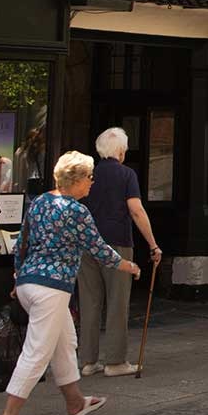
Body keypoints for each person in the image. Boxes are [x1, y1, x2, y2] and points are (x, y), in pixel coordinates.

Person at [0, 151, 142, 415]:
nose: (91, 182)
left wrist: (17, 277)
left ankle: (75, 403)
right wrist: (128, 265)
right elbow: (98, 248)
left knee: (65, 343)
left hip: (30, 283)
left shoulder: (39, 202)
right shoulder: (76, 211)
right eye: (88, 177)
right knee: (37, 351)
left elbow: (21, 242)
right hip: (52, 287)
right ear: (75, 180)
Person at [78, 127, 161, 377]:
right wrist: (152, 244)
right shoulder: (126, 174)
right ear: (122, 151)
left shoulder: (87, 174)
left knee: (89, 302)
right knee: (117, 301)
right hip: (117, 243)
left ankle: (89, 361)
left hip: (87, 243)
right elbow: (136, 210)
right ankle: (115, 361)